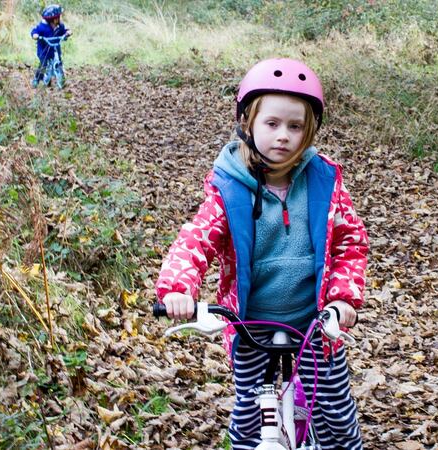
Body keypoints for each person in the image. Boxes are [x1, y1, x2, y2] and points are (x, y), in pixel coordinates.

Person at [155, 58, 369, 449]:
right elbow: (195, 239)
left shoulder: (323, 182)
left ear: (309, 132)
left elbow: (349, 242)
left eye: (295, 126)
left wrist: (342, 299)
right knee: (251, 419)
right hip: (251, 323)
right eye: (272, 124)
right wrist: (178, 288)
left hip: (314, 321)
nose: (283, 136)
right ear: (248, 123)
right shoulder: (230, 187)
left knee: (336, 413)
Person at [30, 4, 72, 87]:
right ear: (53, 19)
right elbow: (35, 31)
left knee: (59, 62)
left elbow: (64, 31)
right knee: (44, 65)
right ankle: (37, 79)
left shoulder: (59, 26)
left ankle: (61, 80)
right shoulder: (42, 27)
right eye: (58, 17)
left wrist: (68, 33)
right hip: (44, 51)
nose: (60, 19)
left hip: (55, 49)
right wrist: (36, 35)